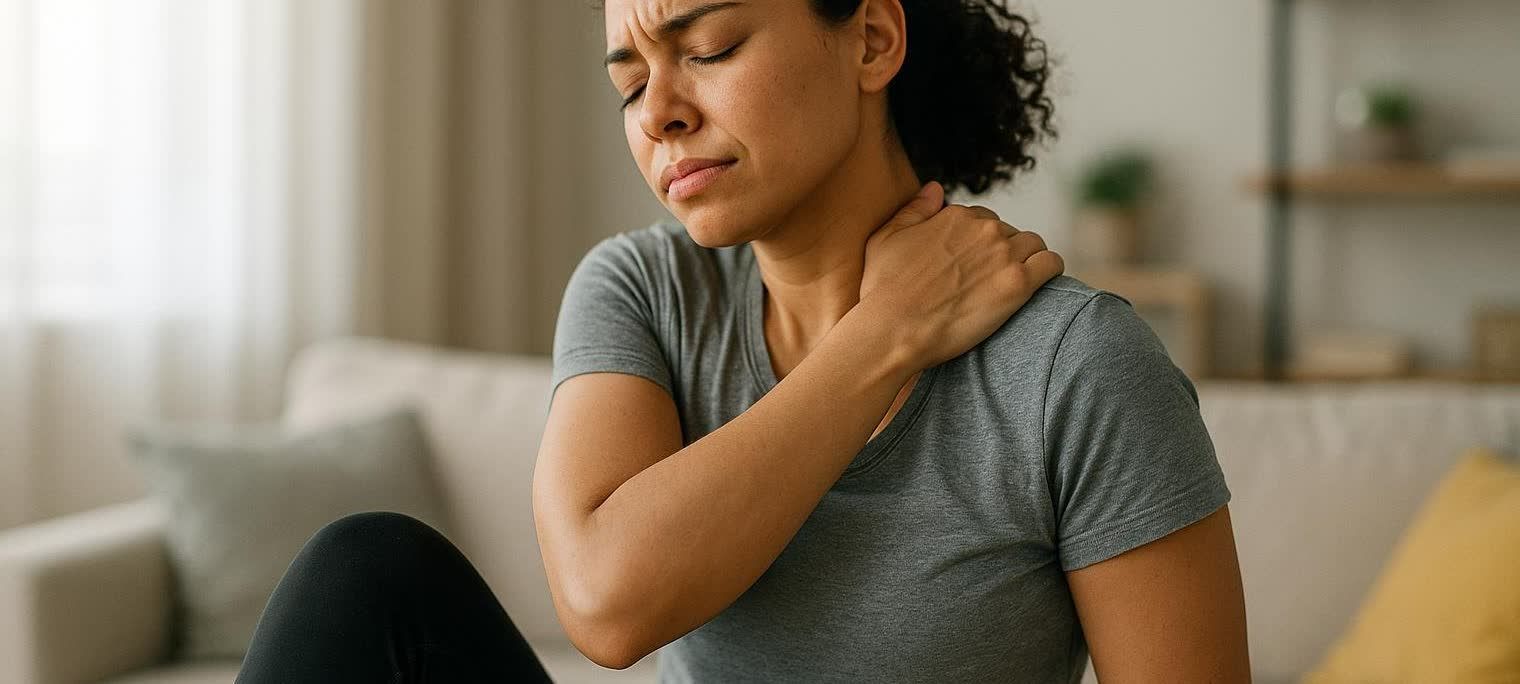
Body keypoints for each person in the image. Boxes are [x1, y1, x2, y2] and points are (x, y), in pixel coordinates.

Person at [238, 0, 1250, 682]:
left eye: (709, 48)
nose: (659, 115)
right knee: (366, 573)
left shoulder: (1075, 366)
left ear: (871, 40)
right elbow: (606, 603)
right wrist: (884, 337)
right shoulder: (645, 289)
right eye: (629, 83)